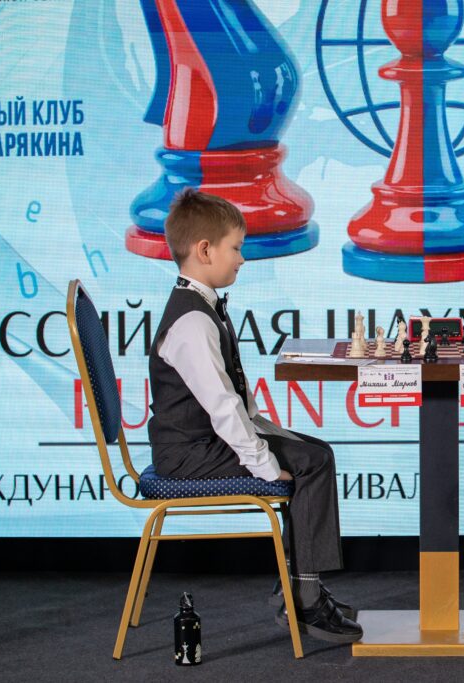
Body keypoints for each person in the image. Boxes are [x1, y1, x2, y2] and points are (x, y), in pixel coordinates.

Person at [147, 188, 362, 644]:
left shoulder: (201, 306)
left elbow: (235, 404)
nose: (242, 259)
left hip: (199, 446)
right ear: (205, 250)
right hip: (188, 454)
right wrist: (264, 462)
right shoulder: (192, 321)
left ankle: (298, 587)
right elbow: (223, 408)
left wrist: (270, 434)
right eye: (236, 248)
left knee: (315, 452)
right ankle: (305, 598)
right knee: (312, 463)